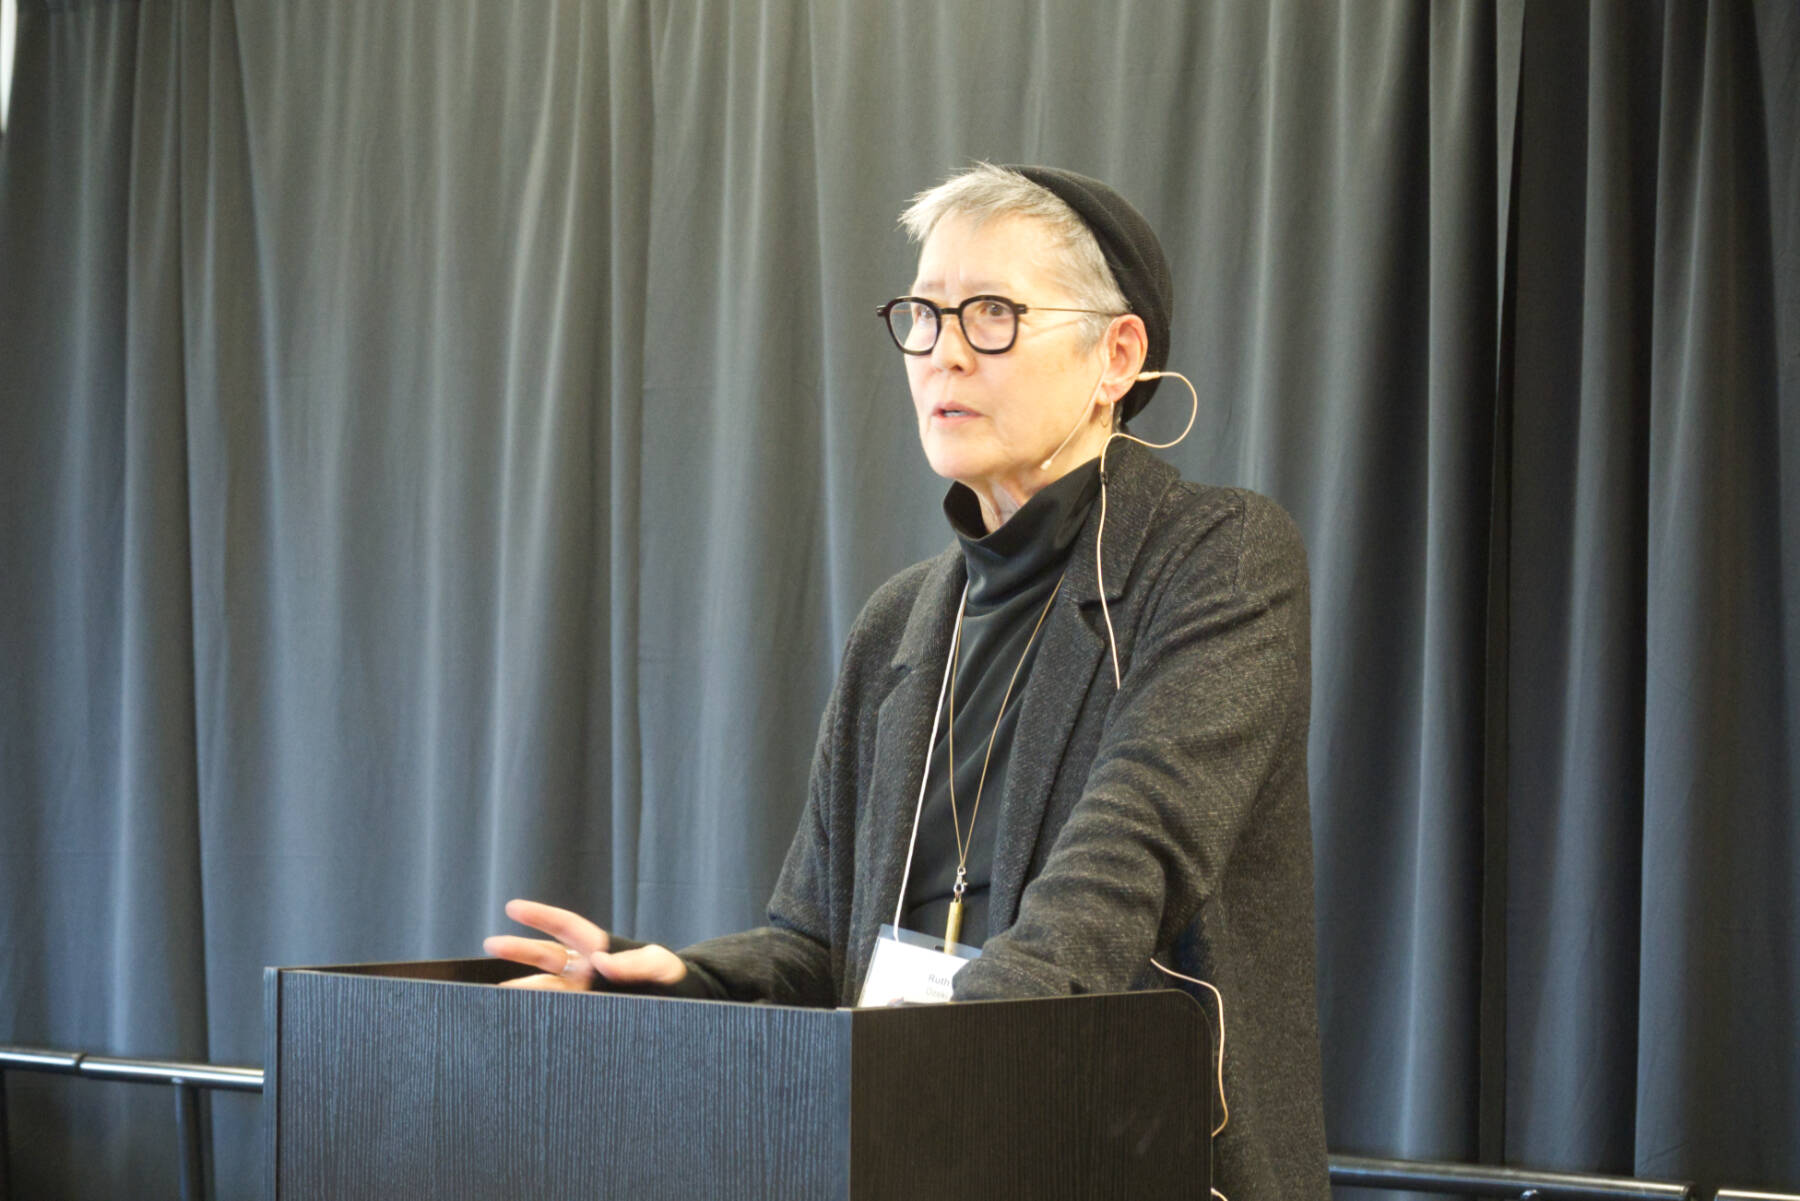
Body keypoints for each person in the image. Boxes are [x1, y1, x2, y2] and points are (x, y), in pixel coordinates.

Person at [485, 163, 1329, 1200]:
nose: (944, 352)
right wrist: (679, 982)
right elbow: (816, 949)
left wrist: (920, 1067)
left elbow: (1123, 870)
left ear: (1116, 354)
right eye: (924, 316)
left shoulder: (1216, 557)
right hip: (911, 1146)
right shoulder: (899, 622)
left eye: (992, 314)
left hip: (1126, 1154)